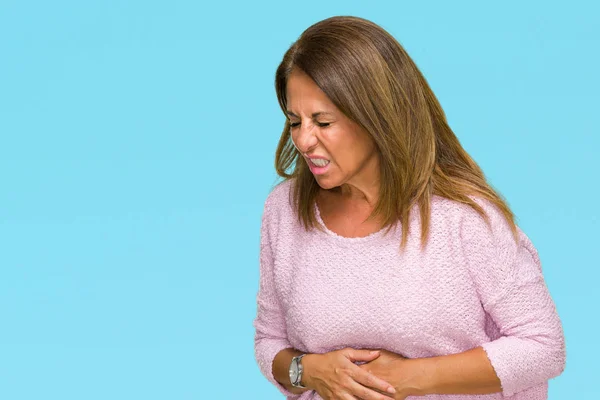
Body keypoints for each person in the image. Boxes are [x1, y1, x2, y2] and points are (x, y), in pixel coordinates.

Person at [252, 15, 566, 400]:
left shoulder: (465, 219)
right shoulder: (283, 211)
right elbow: (270, 341)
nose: (304, 139)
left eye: (323, 121)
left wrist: (408, 377)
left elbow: (543, 347)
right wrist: (310, 370)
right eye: (294, 121)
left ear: (377, 116)